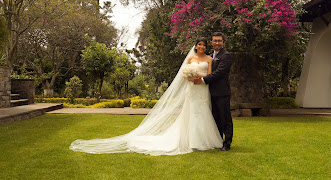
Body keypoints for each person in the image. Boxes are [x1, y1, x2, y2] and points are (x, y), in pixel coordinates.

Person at [70, 37, 223, 156]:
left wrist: (198, 77)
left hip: (202, 88)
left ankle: (204, 141)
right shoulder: (190, 59)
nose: (202, 47)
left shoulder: (209, 59)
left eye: (204, 45)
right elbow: (183, 75)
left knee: (203, 112)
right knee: (191, 113)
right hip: (192, 88)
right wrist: (190, 77)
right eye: (199, 44)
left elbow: (209, 75)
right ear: (195, 46)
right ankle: (191, 140)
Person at [193, 32, 233, 151]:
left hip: (222, 92)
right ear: (211, 43)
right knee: (215, 119)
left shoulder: (226, 55)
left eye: (219, 41)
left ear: (223, 42)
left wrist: (203, 80)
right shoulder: (210, 56)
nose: (217, 43)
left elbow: (220, 72)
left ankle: (227, 143)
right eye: (215, 41)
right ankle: (218, 141)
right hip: (209, 92)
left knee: (225, 118)